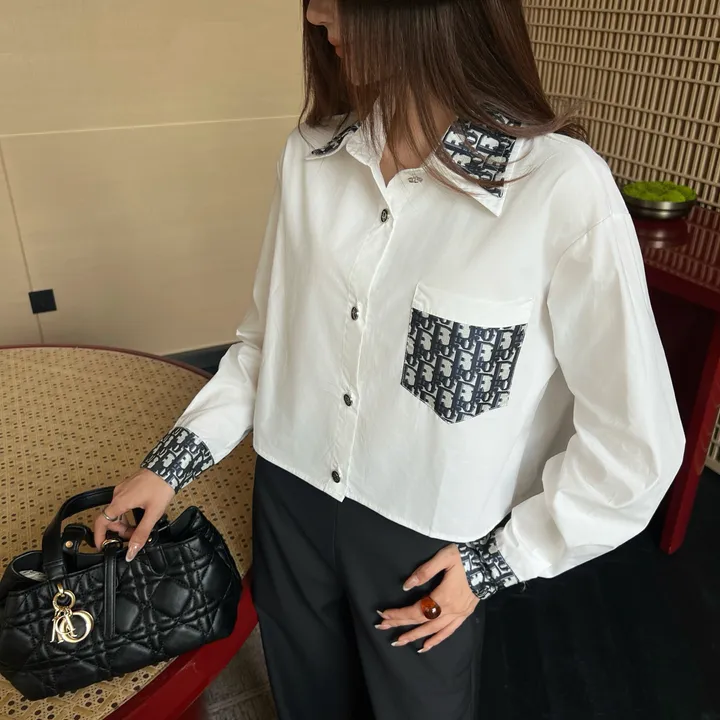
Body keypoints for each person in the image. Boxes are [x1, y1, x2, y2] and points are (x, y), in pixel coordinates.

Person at [94, 0, 685, 717]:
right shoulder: (311, 158)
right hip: (288, 496)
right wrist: (169, 466)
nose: (317, 15)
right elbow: (266, 344)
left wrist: (503, 561)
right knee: (306, 698)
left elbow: (637, 442)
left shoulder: (558, 189)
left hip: (422, 541)